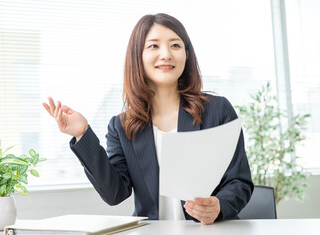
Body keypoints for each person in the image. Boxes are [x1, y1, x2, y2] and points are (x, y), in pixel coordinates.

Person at [42, 13, 253, 225]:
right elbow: (115, 194)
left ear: (187, 55)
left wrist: (218, 205)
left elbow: (239, 181)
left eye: (175, 46)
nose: (166, 54)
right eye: (153, 46)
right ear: (138, 56)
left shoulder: (217, 111)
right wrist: (82, 134)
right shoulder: (122, 126)